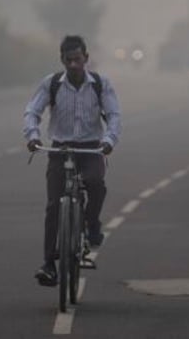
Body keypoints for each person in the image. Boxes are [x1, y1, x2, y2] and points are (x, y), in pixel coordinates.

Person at [24, 35, 122, 287]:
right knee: (53, 206)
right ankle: (48, 263)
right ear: (62, 60)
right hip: (60, 150)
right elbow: (32, 111)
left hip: (91, 149)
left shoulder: (100, 84)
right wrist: (33, 136)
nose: (74, 65)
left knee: (96, 183)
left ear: (86, 58)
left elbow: (113, 115)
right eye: (68, 60)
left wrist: (109, 140)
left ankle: (92, 225)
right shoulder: (52, 84)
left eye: (78, 59)